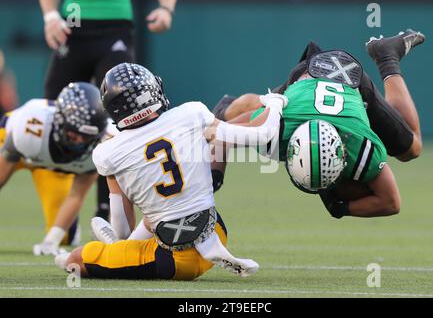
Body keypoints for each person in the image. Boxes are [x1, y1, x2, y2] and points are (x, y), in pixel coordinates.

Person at [55, 62, 288, 280]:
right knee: (159, 214)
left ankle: (112, 251)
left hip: (175, 259)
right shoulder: (190, 114)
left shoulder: (108, 152)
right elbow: (263, 133)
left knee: (75, 260)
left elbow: (122, 229)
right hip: (215, 230)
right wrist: (276, 103)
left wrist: (116, 246)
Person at [211, 30, 425, 219]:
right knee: (253, 111)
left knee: (411, 150)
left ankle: (386, 54)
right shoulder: (274, 128)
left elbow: (391, 202)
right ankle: (227, 107)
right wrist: (214, 179)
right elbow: (221, 132)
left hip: (348, 79)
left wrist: (341, 209)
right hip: (306, 80)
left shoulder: (359, 143)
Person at [39, 0, 177, 222]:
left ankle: (109, 211)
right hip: (73, 23)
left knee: (122, 117)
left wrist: (166, 8)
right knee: (52, 112)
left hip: (116, 25)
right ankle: (60, 213)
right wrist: (50, 16)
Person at [0, 82, 110, 255]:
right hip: (12, 143)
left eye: (87, 137)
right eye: (75, 133)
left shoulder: (102, 146)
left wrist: (51, 241)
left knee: (64, 237)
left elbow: (77, 194)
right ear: (60, 120)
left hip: (53, 166)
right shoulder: (30, 128)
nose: (80, 141)